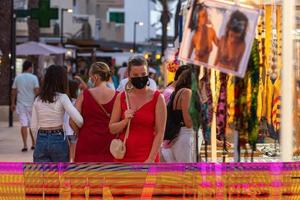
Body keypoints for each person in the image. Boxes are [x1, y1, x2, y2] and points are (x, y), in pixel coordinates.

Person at [109, 55, 167, 162]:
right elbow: (112, 129)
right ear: (129, 76)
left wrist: (151, 159)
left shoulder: (158, 98)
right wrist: (125, 121)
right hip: (123, 155)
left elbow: (160, 132)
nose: (140, 77)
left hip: (147, 157)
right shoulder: (121, 97)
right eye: (135, 75)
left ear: (148, 74)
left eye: (143, 74)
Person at [31, 65, 83, 162]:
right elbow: (79, 120)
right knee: (61, 174)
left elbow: (33, 126)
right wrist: (79, 130)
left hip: (41, 138)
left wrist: (38, 141)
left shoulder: (38, 99)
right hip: (58, 138)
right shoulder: (63, 97)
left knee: (43, 175)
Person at [73, 62, 118, 162]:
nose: (90, 79)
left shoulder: (84, 95)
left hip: (87, 143)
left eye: (90, 76)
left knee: (85, 176)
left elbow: (72, 120)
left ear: (95, 77)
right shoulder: (118, 96)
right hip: (110, 145)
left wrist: (80, 133)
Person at [162, 68, 198, 162]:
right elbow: (188, 122)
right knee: (187, 172)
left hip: (179, 136)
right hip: (185, 136)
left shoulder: (178, 92)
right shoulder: (187, 92)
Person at [11, 60, 39, 152]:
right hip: (31, 104)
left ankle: (25, 145)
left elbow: (13, 91)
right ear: (30, 67)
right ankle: (34, 144)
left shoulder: (18, 77)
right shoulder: (34, 78)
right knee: (32, 125)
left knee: (23, 124)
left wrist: (12, 103)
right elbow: (37, 91)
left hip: (21, 104)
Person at [64, 80, 79, 162]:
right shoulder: (76, 101)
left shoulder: (64, 100)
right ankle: (71, 165)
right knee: (73, 152)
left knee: (66, 151)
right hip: (73, 129)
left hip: (64, 130)